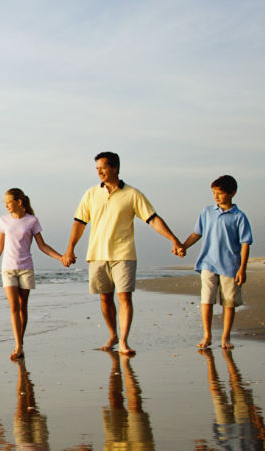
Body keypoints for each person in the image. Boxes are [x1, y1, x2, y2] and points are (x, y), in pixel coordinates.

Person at [63, 152, 185, 356]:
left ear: (115, 168)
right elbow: (79, 223)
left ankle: (124, 341)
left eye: (102, 167)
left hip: (124, 253)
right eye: (97, 169)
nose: (99, 172)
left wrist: (173, 239)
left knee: (124, 297)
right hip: (97, 254)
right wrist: (70, 248)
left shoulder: (133, 194)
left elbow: (153, 219)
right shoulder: (91, 194)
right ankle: (113, 334)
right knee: (105, 298)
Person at [0, 188, 64, 360]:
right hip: (8, 268)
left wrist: (61, 257)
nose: (6, 206)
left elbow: (42, 245)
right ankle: (18, 344)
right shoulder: (4, 221)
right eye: (4, 203)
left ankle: (20, 343)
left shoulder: (32, 221)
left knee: (22, 306)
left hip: (26, 268)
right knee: (14, 307)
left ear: (19, 202)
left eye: (8, 202)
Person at [179, 175, 254, 349]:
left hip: (230, 266)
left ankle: (225, 337)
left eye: (219, 193)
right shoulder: (206, 212)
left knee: (228, 303)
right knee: (207, 300)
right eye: (214, 193)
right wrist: (183, 245)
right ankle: (207, 335)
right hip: (208, 263)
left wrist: (242, 269)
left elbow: (245, 244)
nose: (216, 196)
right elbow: (197, 233)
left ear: (232, 193)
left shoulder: (239, 217)